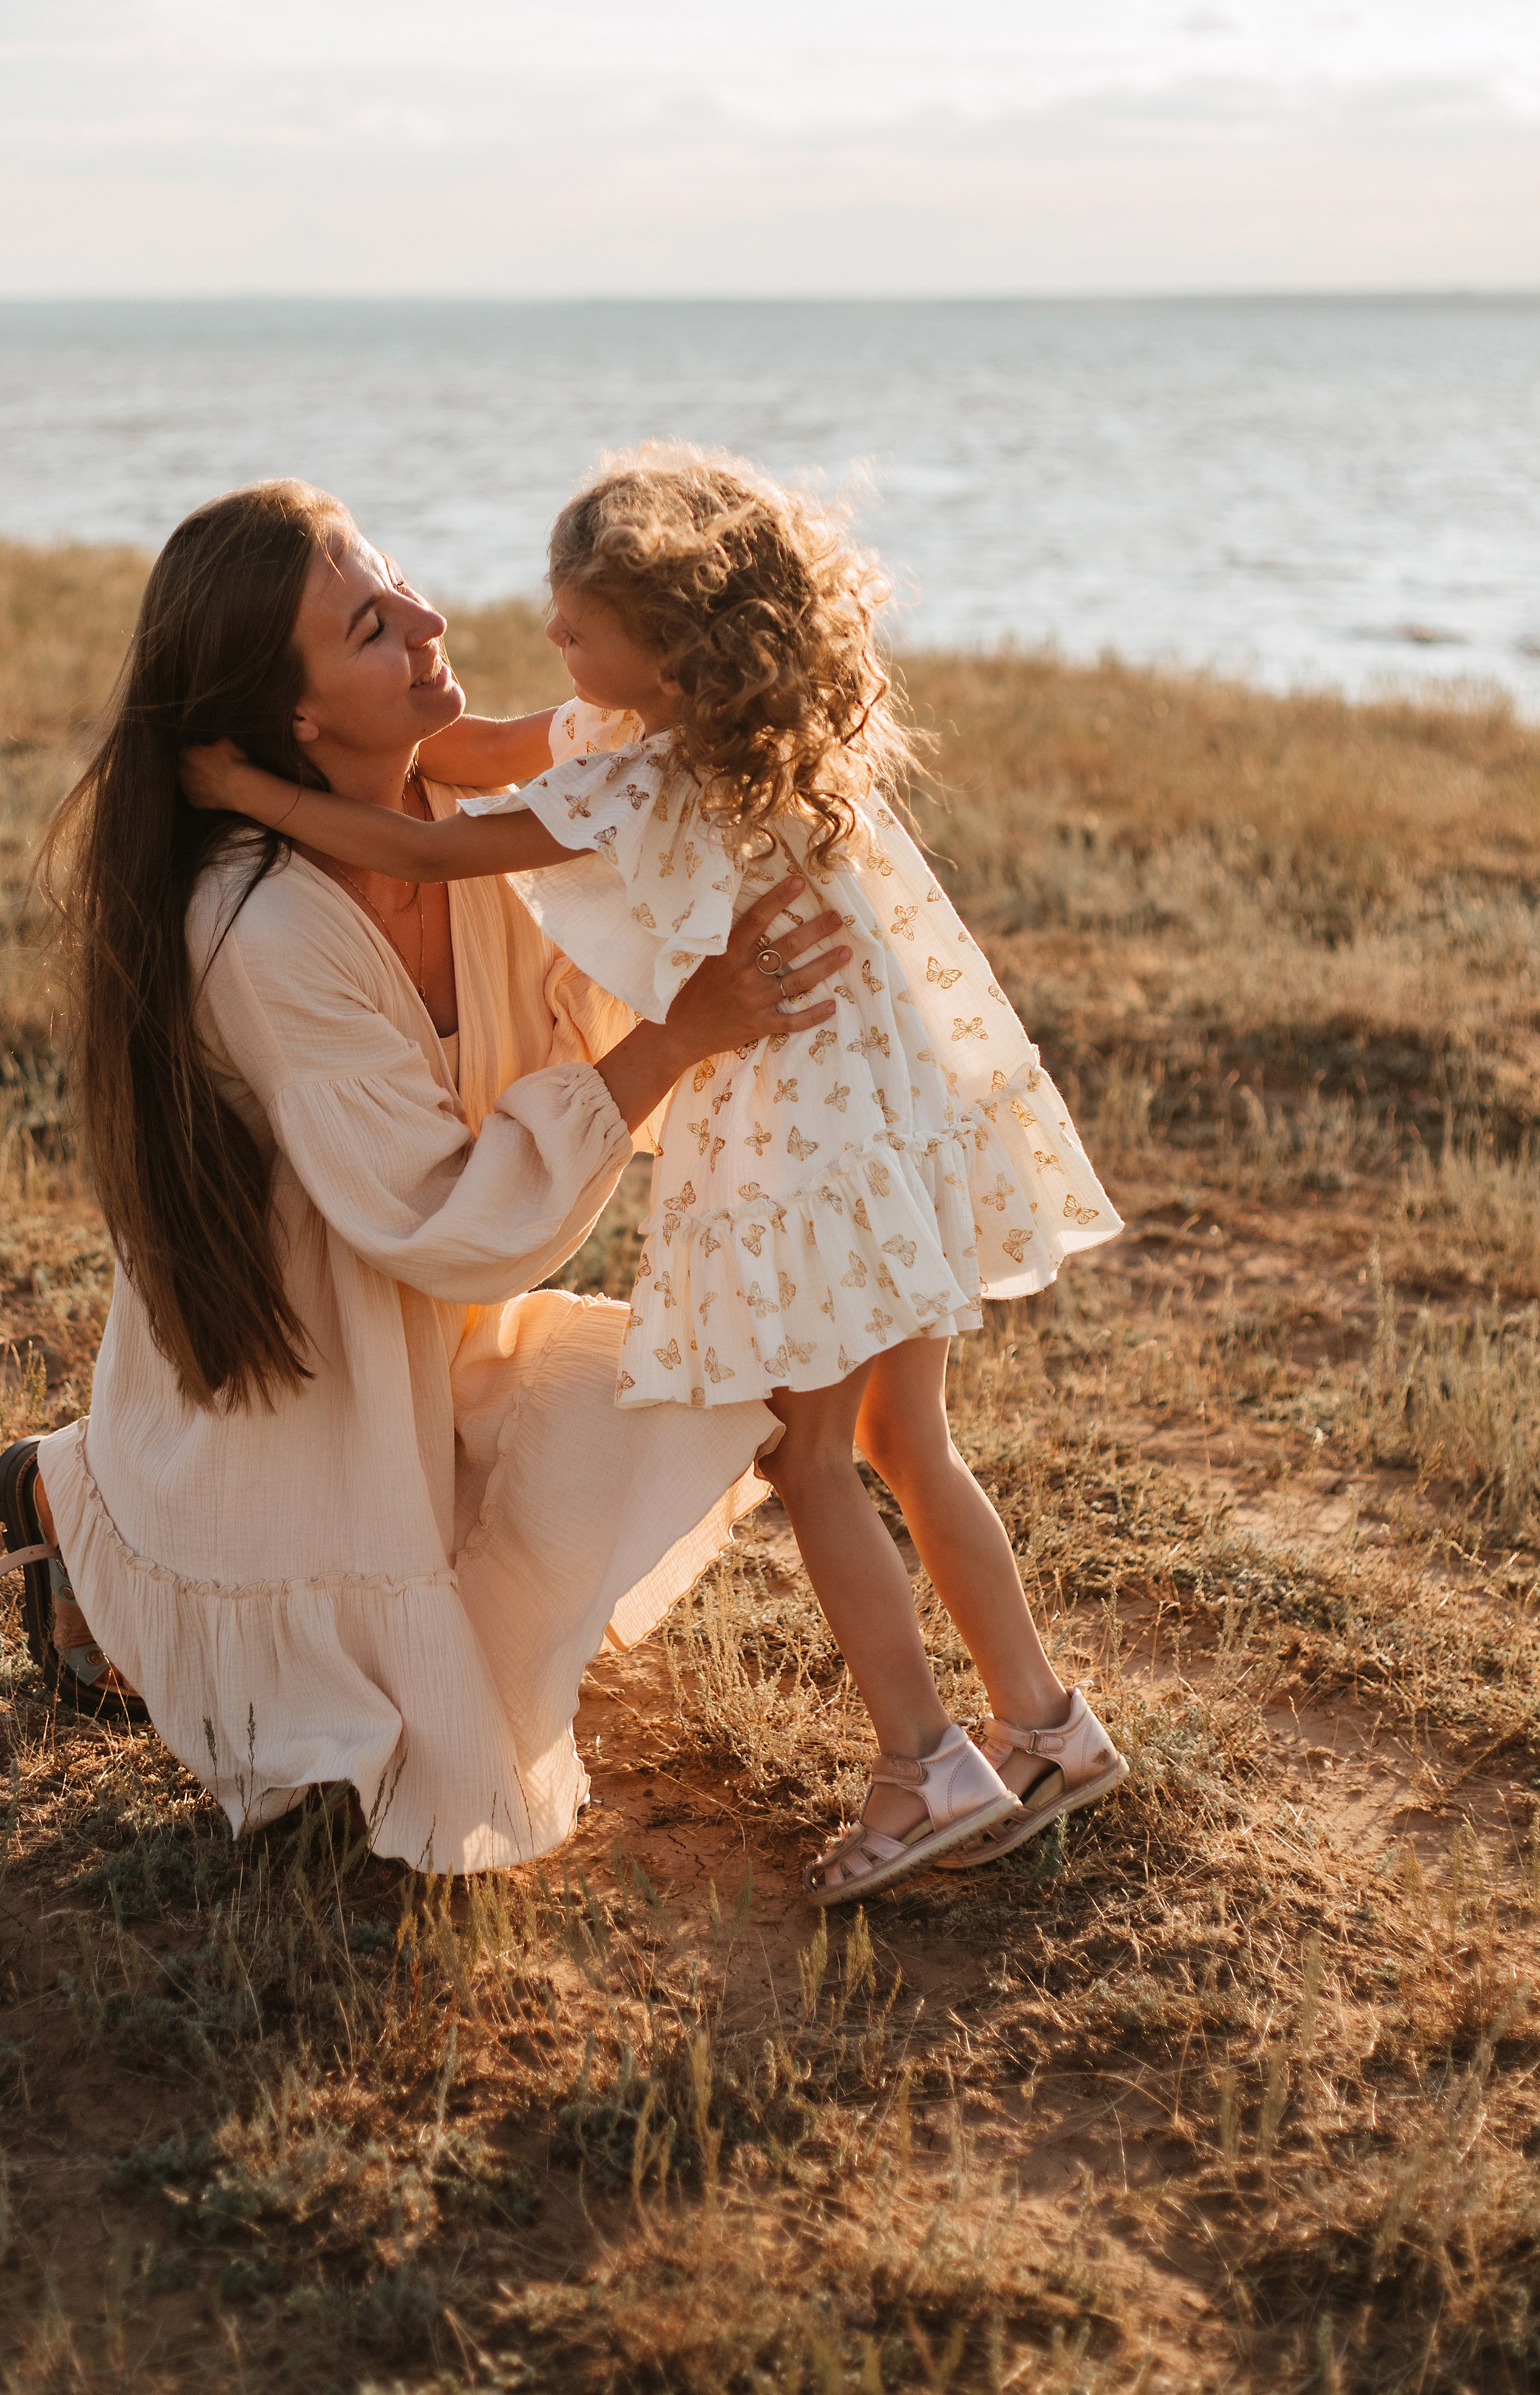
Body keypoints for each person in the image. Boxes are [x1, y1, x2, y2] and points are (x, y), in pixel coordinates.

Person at [185, 444, 1129, 1908]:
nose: (549, 640)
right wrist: (416, 730)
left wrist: (253, 782)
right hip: (891, 1138)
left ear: (668, 657)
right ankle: (1048, 1727)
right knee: (906, 1445)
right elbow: (474, 748)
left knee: (810, 1461)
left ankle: (924, 1766)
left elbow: (417, 846)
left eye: (576, 623)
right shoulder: (753, 741)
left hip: (807, 1162)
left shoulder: (643, 776)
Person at [0, 478, 854, 1873]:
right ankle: (86, 1503)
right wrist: (684, 1032)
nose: (433, 620)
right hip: (307, 1347)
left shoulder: (466, 825)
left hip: (431, 1327)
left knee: (684, 1401)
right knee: (370, 1793)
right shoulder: (262, 922)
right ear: (299, 722)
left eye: (399, 585)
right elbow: (437, 1221)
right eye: (371, 624)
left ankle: (92, 1498)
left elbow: (583, 1016)